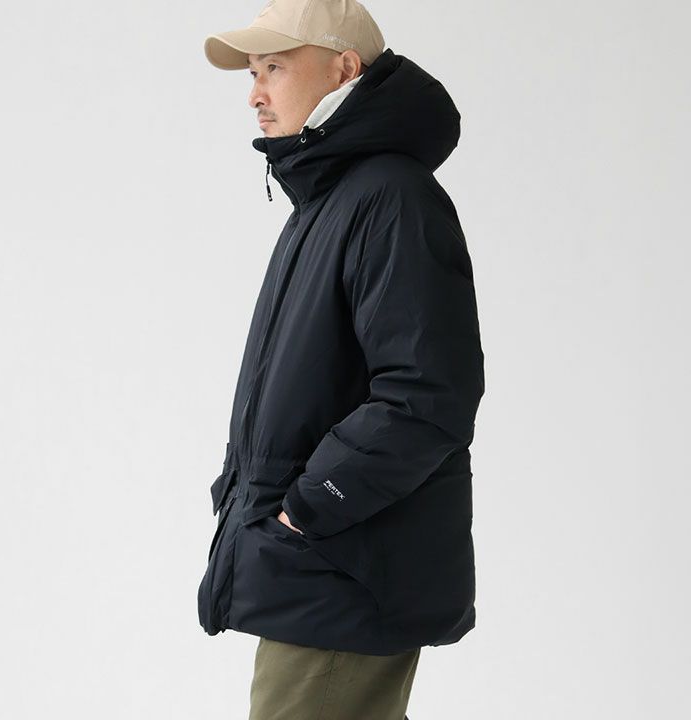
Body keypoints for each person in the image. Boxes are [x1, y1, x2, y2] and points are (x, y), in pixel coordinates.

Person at [197, 1, 485, 718]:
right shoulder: (329, 202)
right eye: (252, 73)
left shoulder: (391, 199)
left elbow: (425, 397)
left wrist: (307, 507)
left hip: (345, 571)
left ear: (343, 68)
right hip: (323, 569)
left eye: (273, 68)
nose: (256, 93)